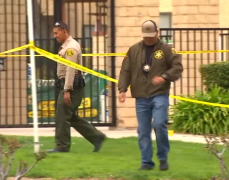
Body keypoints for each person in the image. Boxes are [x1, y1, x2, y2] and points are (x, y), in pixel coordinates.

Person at [117, 20, 183, 170]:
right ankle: (146, 163)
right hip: (141, 97)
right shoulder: (133, 50)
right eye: (145, 36)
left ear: (157, 32)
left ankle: (163, 158)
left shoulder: (166, 49)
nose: (148, 39)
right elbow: (125, 71)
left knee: (159, 124)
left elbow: (177, 67)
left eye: (151, 36)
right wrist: (122, 90)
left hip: (159, 94)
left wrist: (164, 77)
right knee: (143, 130)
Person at [46, 21, 106, 153]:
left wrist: (67, 90)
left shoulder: (71, 48)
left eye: (56, 33)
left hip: (72, 88)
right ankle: (97, 137)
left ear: (64, 32)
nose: (55, 36)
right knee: (70, 116)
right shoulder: (67, 46)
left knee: (62, 115)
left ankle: (62, 146)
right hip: (70, 86)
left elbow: (71, 70)